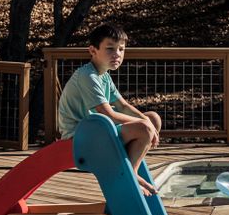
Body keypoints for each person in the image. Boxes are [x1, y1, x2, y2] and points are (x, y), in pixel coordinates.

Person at [57, 22, 162, 195]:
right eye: (110, 49)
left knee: (153, 118)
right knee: (145, 127)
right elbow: (109, 114)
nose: (117, 54)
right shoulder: (87, 76)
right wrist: (145, 125)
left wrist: (147, 121)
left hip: (98, 131)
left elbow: (123, 106)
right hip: (80, 138)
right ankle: (130, 175)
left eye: (121, 49)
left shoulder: (103, 76)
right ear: (93, 51)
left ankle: (129, 168)